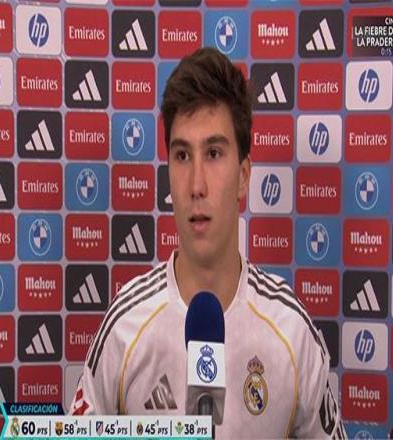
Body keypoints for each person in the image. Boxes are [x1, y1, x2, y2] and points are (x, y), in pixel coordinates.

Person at [70, 47, 346, 439]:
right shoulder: (124, 328)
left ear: (244, 176)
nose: (196, 185)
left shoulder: (292, 332)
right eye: (183, 155)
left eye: (214, 153)